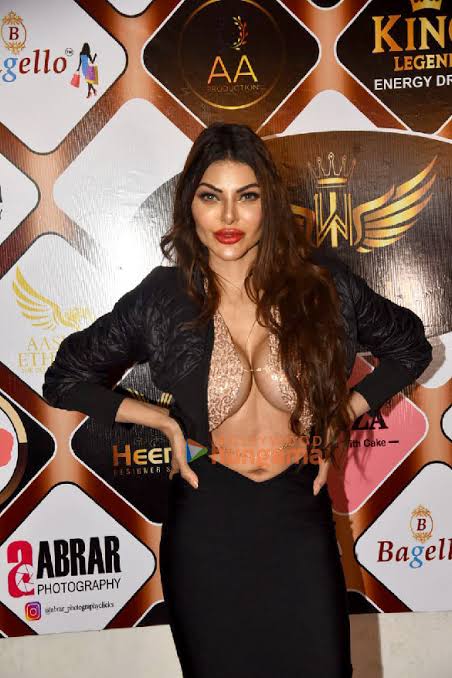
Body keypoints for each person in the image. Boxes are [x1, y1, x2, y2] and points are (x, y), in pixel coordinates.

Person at [42, 122, 433, 677]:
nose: (228, 217)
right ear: (190, 206)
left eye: (246, 197)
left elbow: (410, 348)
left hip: (297, 519)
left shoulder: (323, 286)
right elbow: (65, 378)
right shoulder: (163, 297)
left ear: (268, 204)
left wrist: (343, 412)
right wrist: (164, 422)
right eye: (211, 197)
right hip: (207, 524)